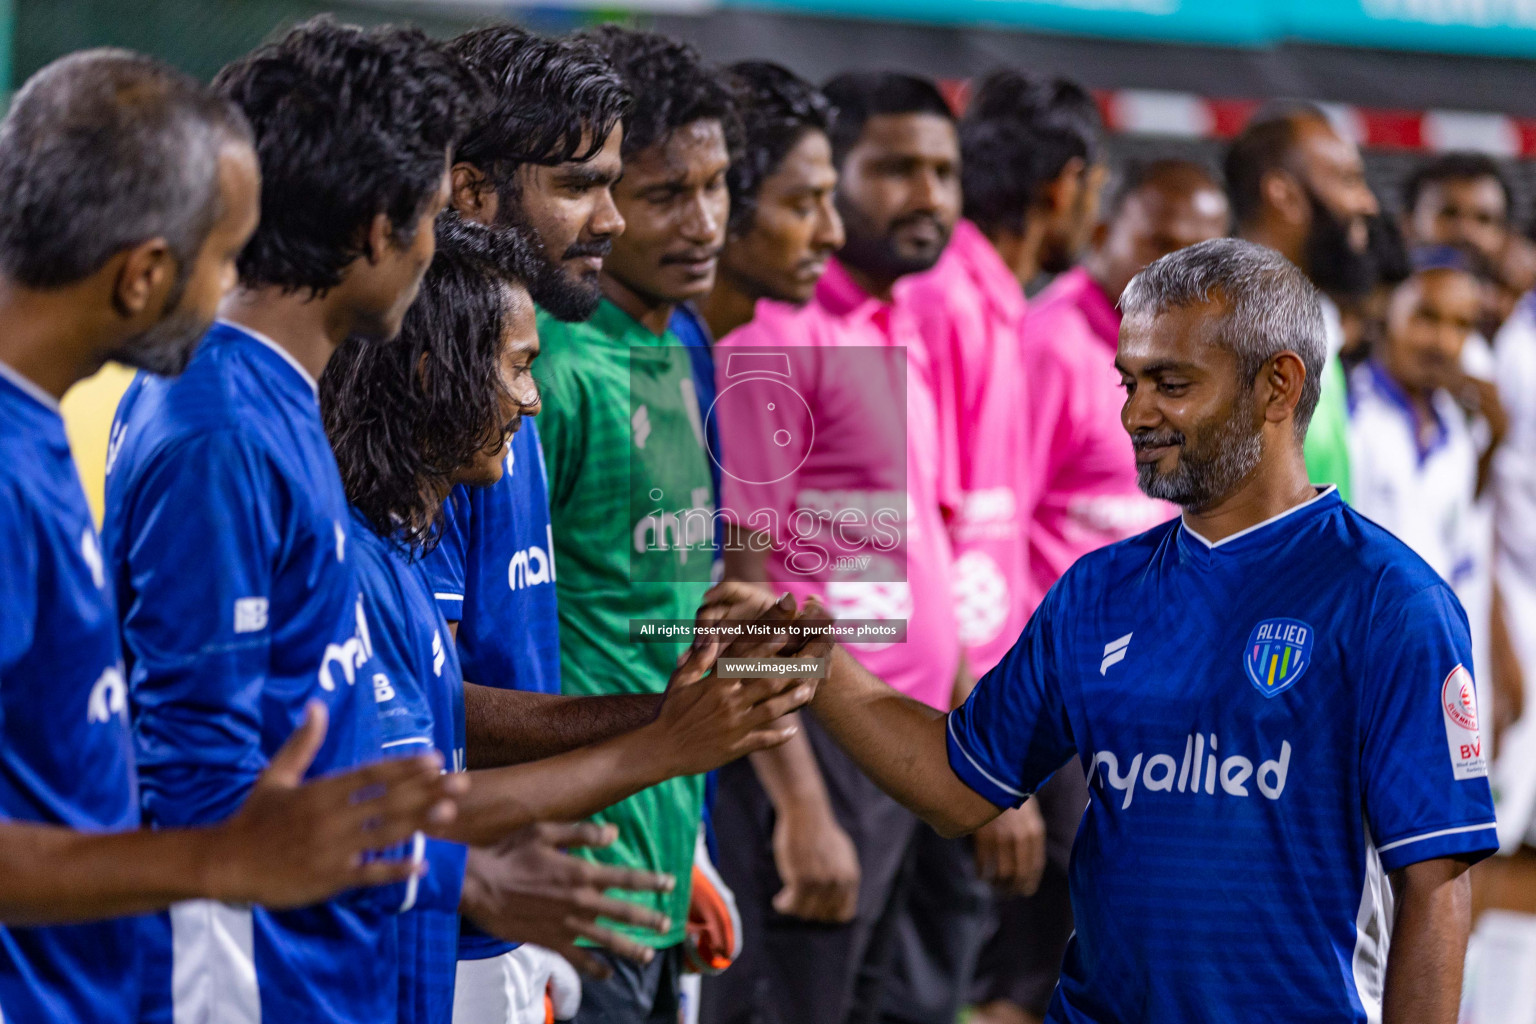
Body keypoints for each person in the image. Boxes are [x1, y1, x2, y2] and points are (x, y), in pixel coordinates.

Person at [721, 236, 1498, 1022]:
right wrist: (814, 659)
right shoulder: (1099, 589)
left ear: (1278, 385)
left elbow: (1435, 887)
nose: (1136, 413)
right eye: (1129, 382)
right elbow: (956, 786)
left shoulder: (1390, 602)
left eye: (1172, 383)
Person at [101, 20, 648, 1024]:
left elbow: (352, 750)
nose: (441, 247)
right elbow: (208, 796)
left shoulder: (277, 399)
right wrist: (458, 879)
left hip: (346, 967)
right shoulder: (218, 430)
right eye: (435, 213)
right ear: (372, 229)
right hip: (257, 981)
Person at [0, 46, 472, 1024]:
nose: (237, 284)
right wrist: (216, 859)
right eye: (225, 256)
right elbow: (196, 773)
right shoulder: (203, 430)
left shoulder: (50, 428)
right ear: (143, 276)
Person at [320, 215, 819, 1024]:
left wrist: (679, 736)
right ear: (428, 373)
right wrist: (662, 742)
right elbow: (403, 808)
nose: (532, 401)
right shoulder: (359, 570)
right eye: (519, 368)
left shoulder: (399, 561)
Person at [705, 70, 963, 1024]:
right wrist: (804, 806)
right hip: (819, 745)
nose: (927, 194)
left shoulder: (885, 323)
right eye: (894, 168)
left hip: (899, 748)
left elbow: (915, 552)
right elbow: (744, 583)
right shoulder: (769, 337)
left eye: (944, 169)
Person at [966, 158, 1225, 1024]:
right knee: (1041, 961)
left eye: (1198, 250)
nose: (1176, 267)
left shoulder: (1195, 366)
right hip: (1061, 707)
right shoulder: (1046, 346)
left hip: (1155, 703)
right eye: (1156, 243)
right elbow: (989, 531)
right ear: (1105, 228)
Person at [531, 25, 733, 1021]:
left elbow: (665, 616)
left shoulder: (687, 343)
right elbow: (506, 647)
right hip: (570, 879)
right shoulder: (549, 374)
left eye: (716, 185)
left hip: (661, 864)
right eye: (665, 195)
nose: (703, 222)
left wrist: (688, 847)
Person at [692, 61, 864, 1024]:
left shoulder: (770, 341)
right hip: (758, 759)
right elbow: (740, 595)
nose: (829, 233)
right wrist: (802, 803)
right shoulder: (738, 364)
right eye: (804, 202)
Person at [1348, 256, 1520, 750]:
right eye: (1426, 317)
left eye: (1461, 325)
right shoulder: (1350, 416)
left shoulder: (1456, 429)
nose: (1443, 341)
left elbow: (1459, 549)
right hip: (1367, 670)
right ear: (1386, 309)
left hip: (1438, 673)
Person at [1227, 103, 1380, 502]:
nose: (1367, 203)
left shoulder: (1319, 318)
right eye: (1348, 180)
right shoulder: (1222, 334)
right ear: (1284, 195)